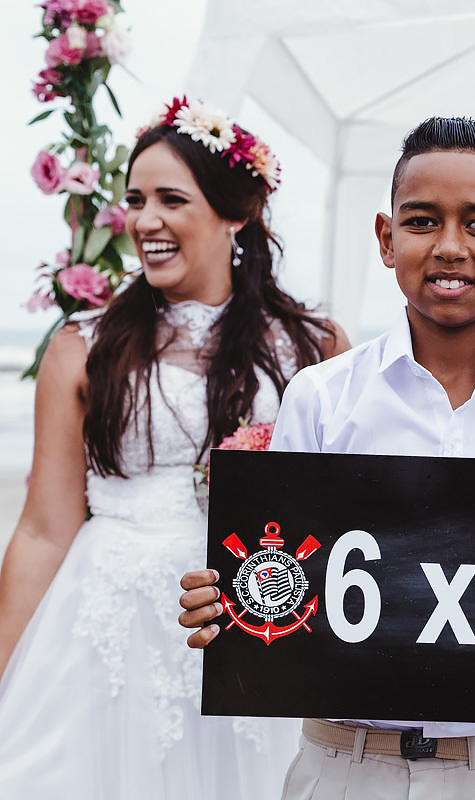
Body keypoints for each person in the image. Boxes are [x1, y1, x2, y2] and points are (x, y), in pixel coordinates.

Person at [178, 116, 475, 799]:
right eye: (422, 222)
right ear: (386, 239)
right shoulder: (321, 398)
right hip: (345, 766)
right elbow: (280, 578)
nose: (449, 247)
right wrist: (232, 602)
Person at [0, 97, 349, 797]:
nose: (145, 220)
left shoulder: (316, 348)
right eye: (134, 199)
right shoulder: (82, 348)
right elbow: (44, 529)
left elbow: (344, 516)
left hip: (255, 620)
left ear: (234, 212)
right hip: (107, 626)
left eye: (170, 199)